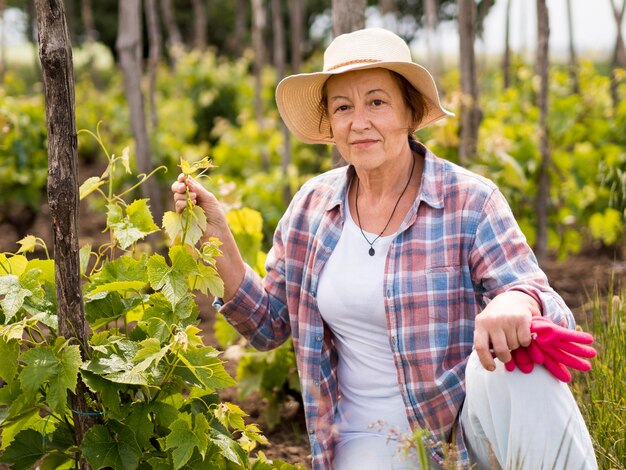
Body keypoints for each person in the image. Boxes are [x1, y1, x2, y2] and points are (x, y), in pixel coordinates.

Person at [172, 28, 597, 470]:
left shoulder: (470, 200)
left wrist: (516, 300)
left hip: (463, 431)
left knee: (520, 367)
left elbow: (549, 307)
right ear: (330, 124)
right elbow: (268, 325)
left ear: (410, 111)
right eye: (343, 107)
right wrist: (215, 234)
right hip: (367, 441)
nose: (359, 122)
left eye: (377, 101)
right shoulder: (312, 207)